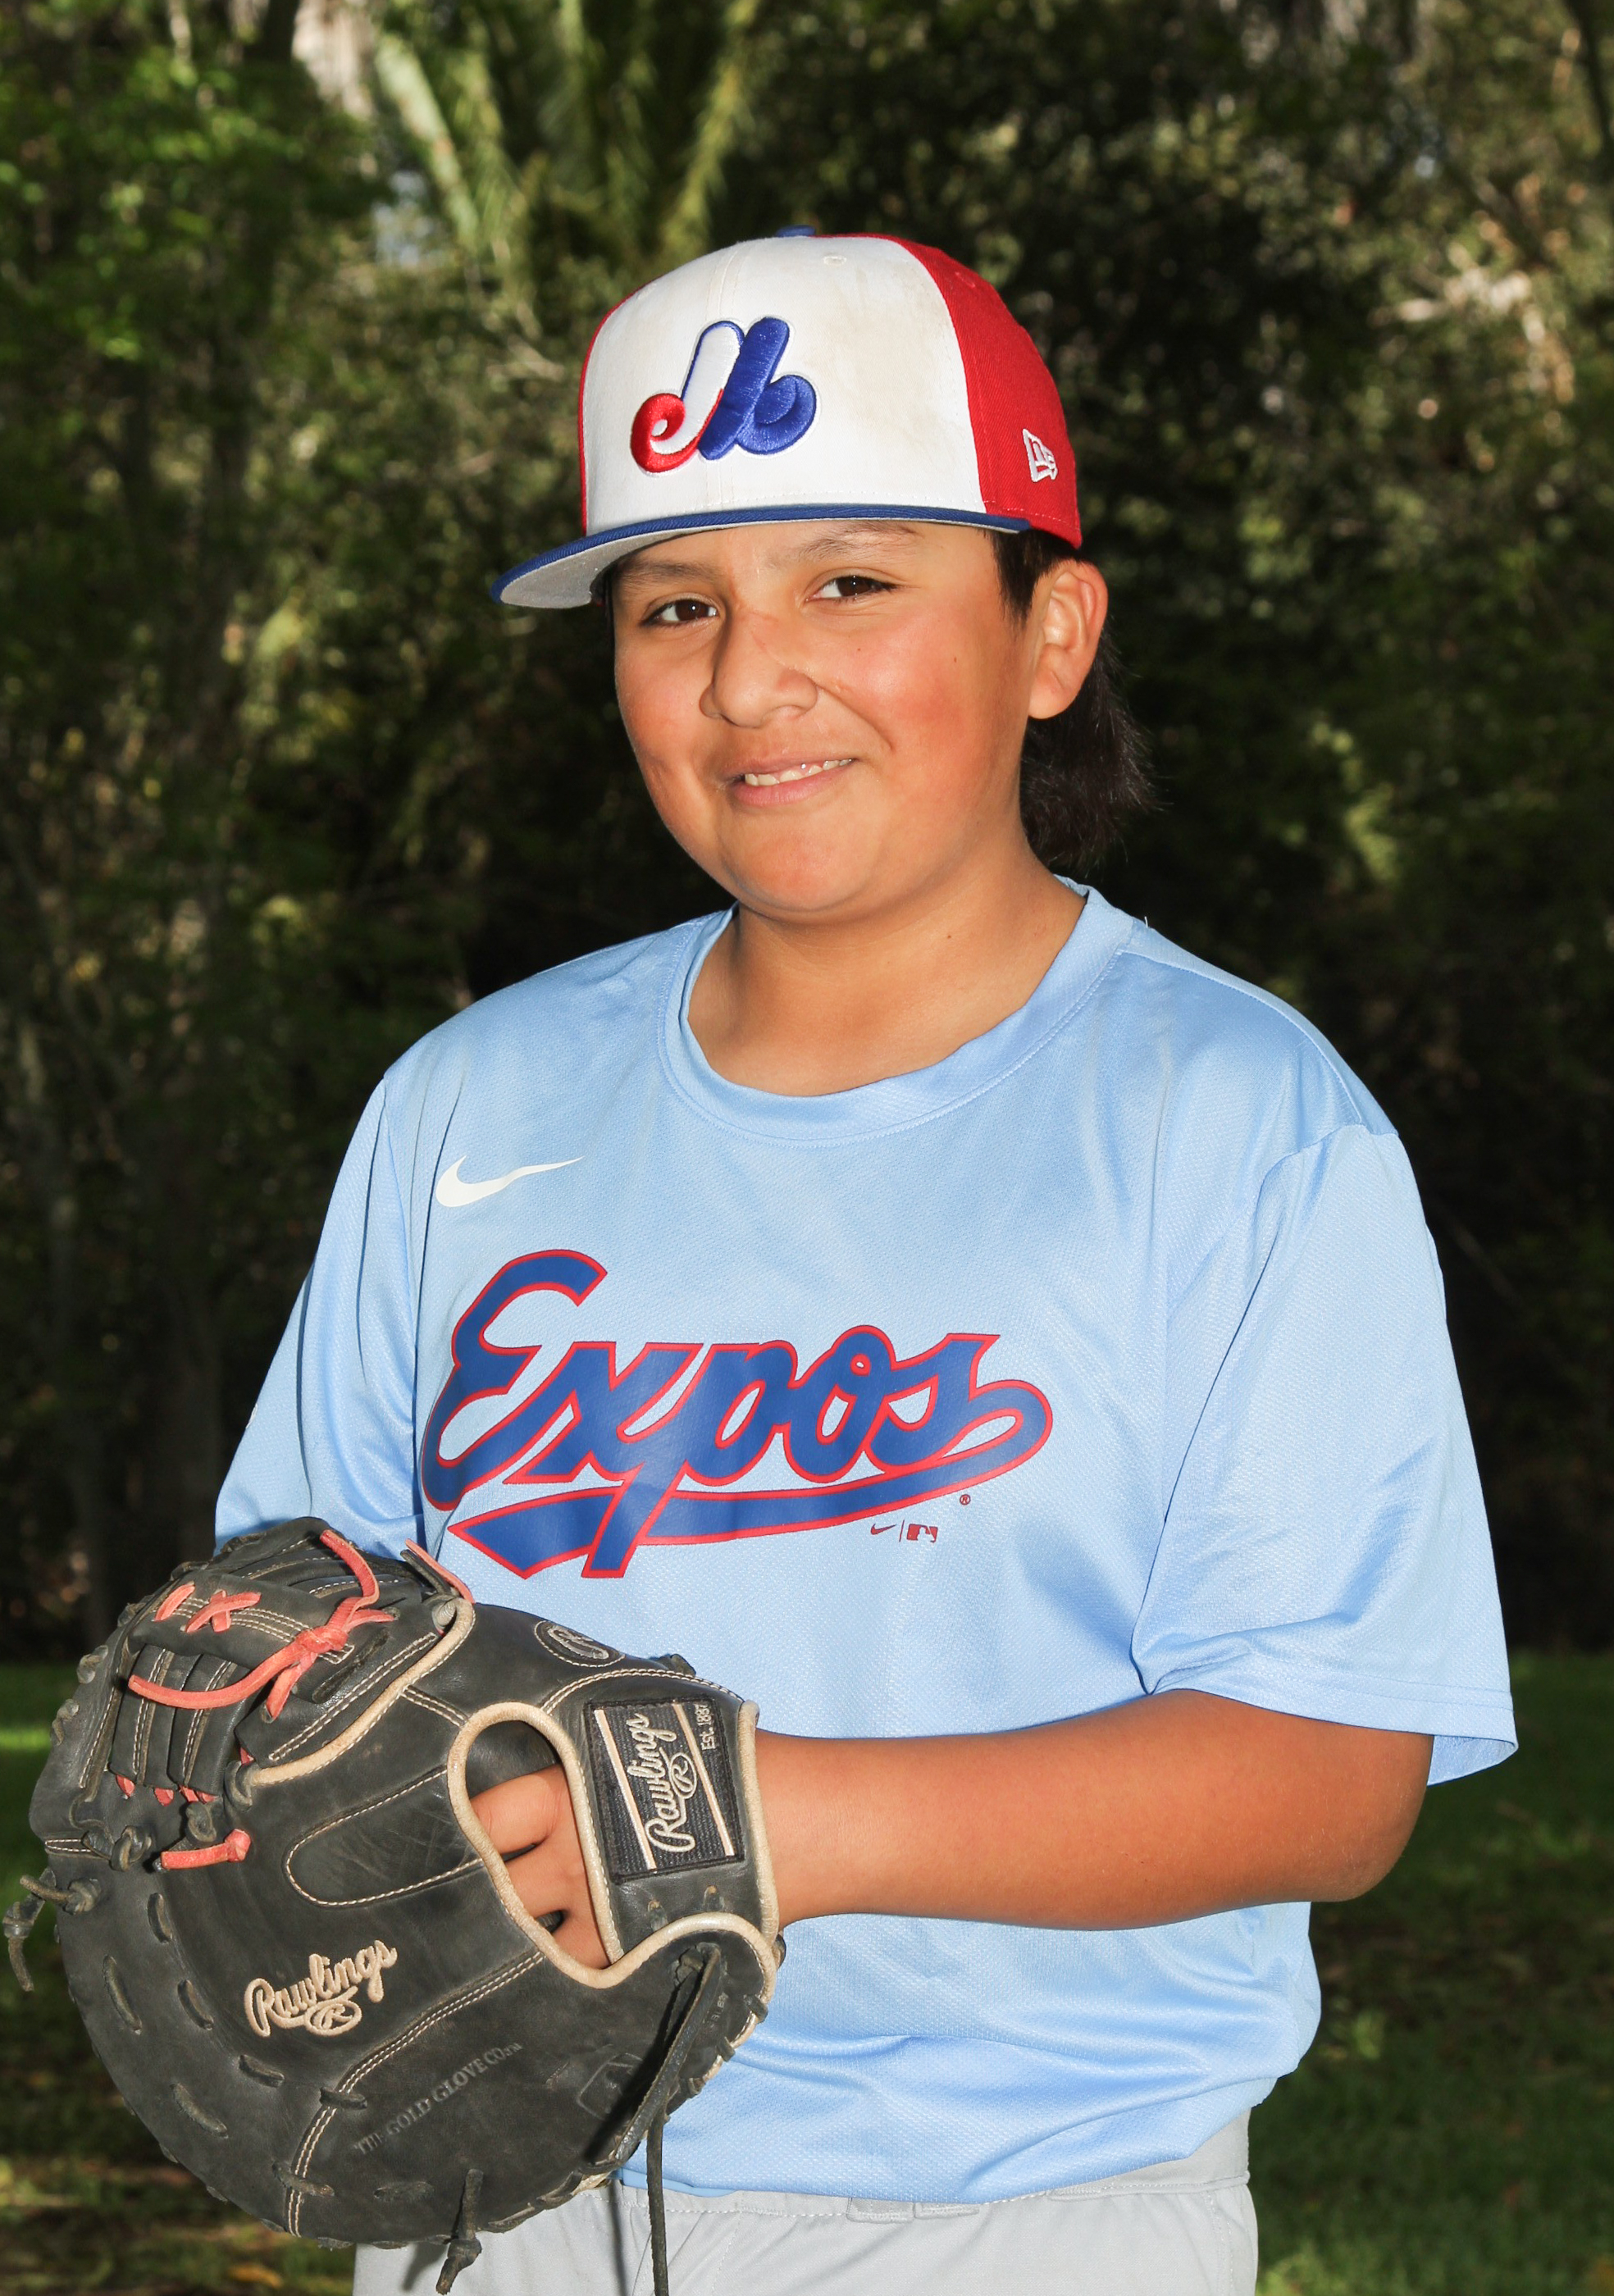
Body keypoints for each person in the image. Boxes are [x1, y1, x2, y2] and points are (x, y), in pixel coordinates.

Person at [217, 231, 1516, 2296]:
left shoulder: (1232, 1118)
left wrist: (765, 1814)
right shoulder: (471, 1107)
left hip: (1020, 2212)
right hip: (495, 2186)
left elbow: (1329, 1767)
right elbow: (300, 1625)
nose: (750, 679)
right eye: (674, 604)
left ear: (1050, 629)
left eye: (849, 580)